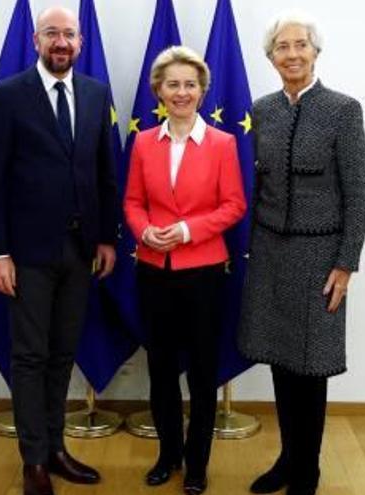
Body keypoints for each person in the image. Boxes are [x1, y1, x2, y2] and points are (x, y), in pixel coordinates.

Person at [0, 6, 117, 495]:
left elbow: (105, 171)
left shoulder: (97, 94)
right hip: (26, 253)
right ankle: (33, 459)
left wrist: (106, 238)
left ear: (80, 44)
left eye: (69, 35)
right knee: (30, 357)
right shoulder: (7, 95)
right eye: (52, 34)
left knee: (63, 354)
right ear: (37, 40)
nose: (61, 42)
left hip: (81, 251)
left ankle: (57, 447)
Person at [237, 9, 365, 495]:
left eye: (300, 46)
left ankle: (307, 471)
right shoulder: (263, 109)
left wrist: (346, 263)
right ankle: (288, 459)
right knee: (279, 359)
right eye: (282, 48)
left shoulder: (343, 109)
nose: (291, 54)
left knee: (311, 367)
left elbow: (358, 192)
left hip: (320, 259)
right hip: (270, 252)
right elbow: (254, 184)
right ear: (271, 57)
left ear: (315, 52)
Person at [124, 46, 246, 495]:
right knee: (159, 369)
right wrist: (144, 232)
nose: (181, 92)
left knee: (200, 370)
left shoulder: (223, 143)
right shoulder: (141, 143)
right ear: (158, 90)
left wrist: (187, 230)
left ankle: (197, 464)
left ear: (202, 90)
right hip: (154, 270)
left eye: (190, 84)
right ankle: (167, 455)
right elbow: (133, 202)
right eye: (172, 84)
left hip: (204, 273)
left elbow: (234, 205)